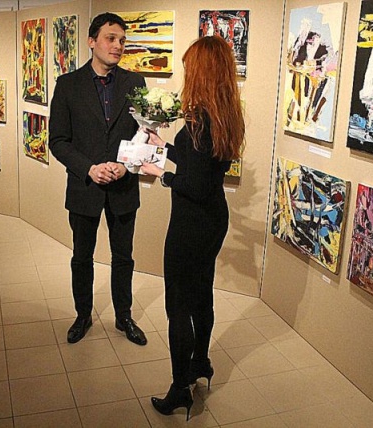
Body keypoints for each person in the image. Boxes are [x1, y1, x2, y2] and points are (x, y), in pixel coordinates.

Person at [139, 36, 245, 420]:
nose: (186, 75)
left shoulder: (200, 120)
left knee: (178, 306)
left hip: (191, 224)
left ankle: (179, 388)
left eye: (189, 68)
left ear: (201, 72)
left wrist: (160, 174)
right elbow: (200, 165)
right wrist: (165, 146)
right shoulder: (225, 114)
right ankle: (201, 362)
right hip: (213, 219)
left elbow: (194, 184)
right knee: (201, 294)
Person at [49, 12, 148, 346]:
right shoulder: (68, 85)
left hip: (123, 187)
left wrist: (126, 165)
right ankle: (83, 315)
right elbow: (58, 140)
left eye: (122, 40)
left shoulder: (135, 84)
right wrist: (89, 168)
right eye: (110, 38)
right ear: (92, 41)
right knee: (82, 257)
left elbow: (144, 135)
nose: (117, 45)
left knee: (124, 258)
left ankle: (124, 316)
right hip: (85, 186)